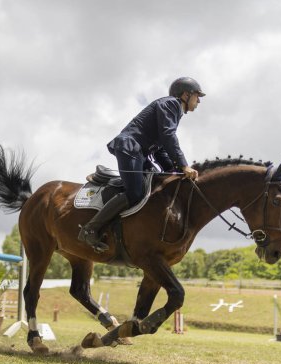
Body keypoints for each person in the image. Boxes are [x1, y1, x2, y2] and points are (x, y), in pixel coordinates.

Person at [78, 76, 205, 251]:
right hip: (130, 148)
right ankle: (90, 229)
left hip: (141, 153)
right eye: (197, 96)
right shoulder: (171, 104)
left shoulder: (175, 111)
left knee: (157, 183)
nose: (198, 101)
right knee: (135, 193)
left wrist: (173, 170)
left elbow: (160, 149)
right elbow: (168, 137)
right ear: (185, 95)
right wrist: (183, 165)